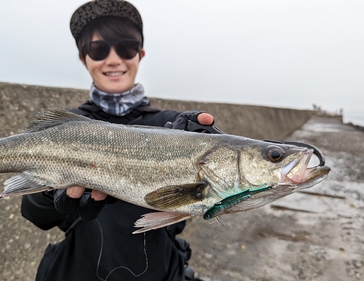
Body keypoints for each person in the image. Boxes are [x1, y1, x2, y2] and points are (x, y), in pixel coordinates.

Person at [21, 1, 217, 280]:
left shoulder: (175, 128)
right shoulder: (66, 127)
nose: (113, 60)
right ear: (83, 58)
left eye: (125, 47)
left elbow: (204, 205)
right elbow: (36, 216)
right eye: (99, 50)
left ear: (140, 53)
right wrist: (49, 192)